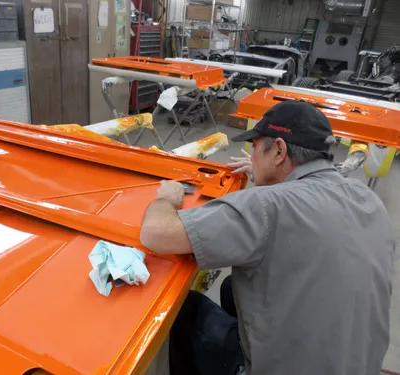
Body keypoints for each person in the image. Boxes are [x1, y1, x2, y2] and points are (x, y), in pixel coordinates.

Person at [139, 101, 395, 375]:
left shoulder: (266, 206)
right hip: (359, 365)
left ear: (279, 151)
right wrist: (268, 177)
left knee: (184, 309)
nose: (251, 157)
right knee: (231, 288)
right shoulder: (366, 197)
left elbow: (156, 233)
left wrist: (166, 199)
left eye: (255, 148)